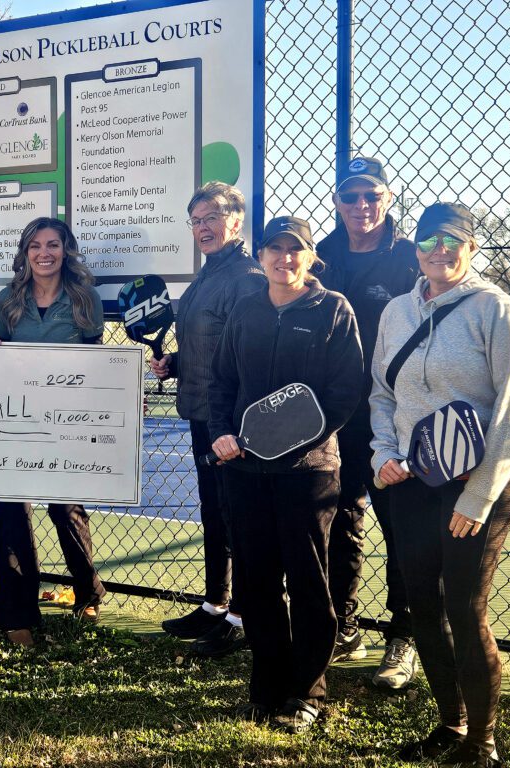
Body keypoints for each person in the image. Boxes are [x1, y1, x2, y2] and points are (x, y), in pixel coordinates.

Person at [370, 203, 510, 768]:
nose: (439, 249)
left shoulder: (496, 310)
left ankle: (482, 744)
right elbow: (382, 395)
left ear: (470, 246)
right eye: (428, 239)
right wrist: (384, 454)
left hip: (480, 484)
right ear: (415, 247)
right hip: (414, 481)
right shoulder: (395, 311)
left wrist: (479, 493)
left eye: (452, 239)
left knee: (465, 610)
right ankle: (450, 723)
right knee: (421, 605)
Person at [209, 216, 363, 731]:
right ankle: (268, 685)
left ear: (309, 256)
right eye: (274, 250)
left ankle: (308, 693)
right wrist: (222, 432)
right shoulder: (246, 309)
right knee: (257, 580)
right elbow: (221, 382)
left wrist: (293, 441)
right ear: (262, 256)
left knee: (308, 580)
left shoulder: (333, 309)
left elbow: (345, 392)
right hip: (246, 470)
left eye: (293, 250)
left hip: (308, 472)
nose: (283, 258)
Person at [316, 156, 421, 686]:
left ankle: (404, 636)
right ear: (337, 202)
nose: (361, 206)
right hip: (335, 412)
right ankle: (345, 626)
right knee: (340, 519)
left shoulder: (409, 258)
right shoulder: (322, 256)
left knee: (400, 522)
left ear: (387, 199)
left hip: (394, 414)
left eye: (371, 196)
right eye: (350, 197)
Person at [0, 217, 107, 647]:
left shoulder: (84, 298)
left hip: (66, 420)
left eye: (52, 244)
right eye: (35, 245)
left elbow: (97, 359)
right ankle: (17, 612)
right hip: (18, 418)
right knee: (13, 509)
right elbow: (1, 358)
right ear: (25, 252)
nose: (44, 253)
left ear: (65, 250)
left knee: (65, 508)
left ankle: (88, 591)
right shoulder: (8, 300)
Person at [151, 182, 265, 656]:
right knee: (214, 515)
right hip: (202, 413)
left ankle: (243, 616)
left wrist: (231, 427)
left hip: (231, 423)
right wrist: (175, 363)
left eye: (212, 217)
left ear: (236, 220)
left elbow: (246, 355)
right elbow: (207, 344)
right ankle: (215, 604)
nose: (203, 227)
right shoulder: (208, 274)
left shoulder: (247, 276)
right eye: (195, 220)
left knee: (239, 519)